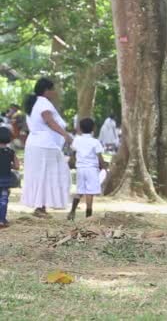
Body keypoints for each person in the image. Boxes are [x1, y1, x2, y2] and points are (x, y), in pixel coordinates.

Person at [21, 78, 73, 218]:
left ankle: (41, 206)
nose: (55, 92)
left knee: (40, 174)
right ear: (47, 91)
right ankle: (40, 207)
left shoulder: (34, 103)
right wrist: (65, 135)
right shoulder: (43, 104)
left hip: (35, 143)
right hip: (44, 145)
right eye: (53, 89)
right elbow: (50, 122)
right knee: (50, 173)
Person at [67, 118, 105, 220]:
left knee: (79, 191)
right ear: (93, 128)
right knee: (89, 192)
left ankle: (72, 211)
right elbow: (99, 156)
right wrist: (104, 167)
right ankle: (88, 215)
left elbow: (73, 152)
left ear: (80, 128)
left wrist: (73, 162)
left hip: (80, 168)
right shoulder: (95, 142)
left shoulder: (77, 140)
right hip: (91, 169)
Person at [0, 127, 19, 228]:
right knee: (3, 200)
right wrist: (8, 164)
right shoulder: (10, 152)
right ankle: (2, 220)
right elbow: (17, 166)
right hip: (5, 181)